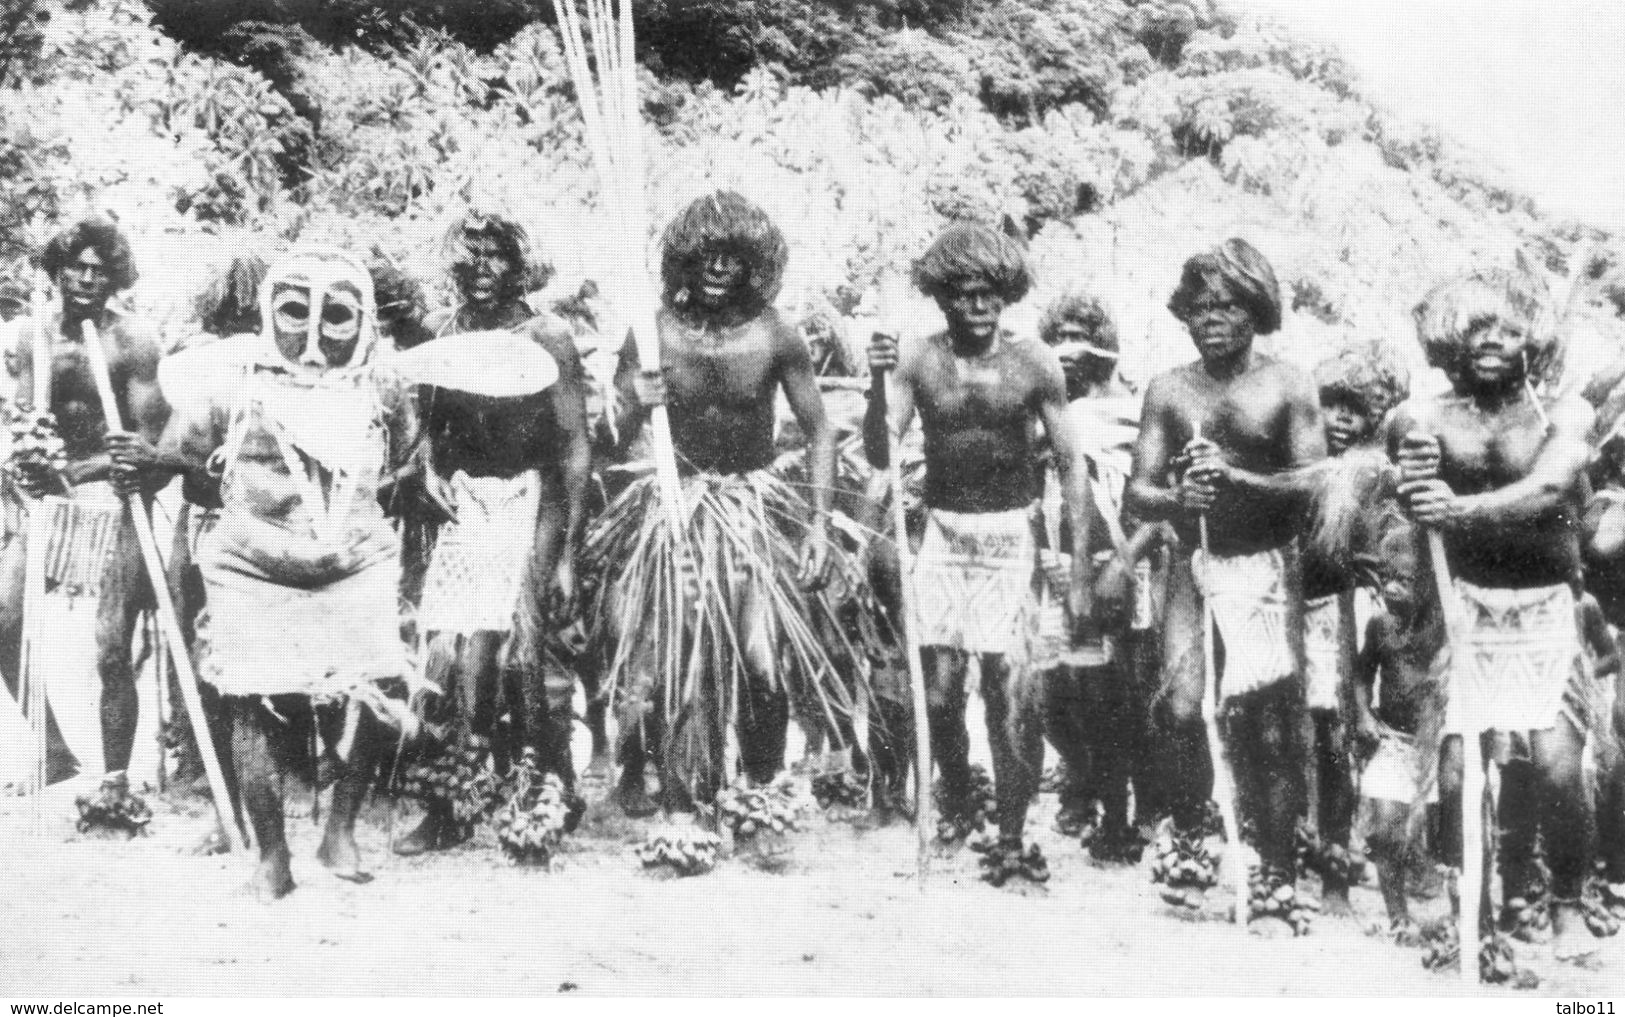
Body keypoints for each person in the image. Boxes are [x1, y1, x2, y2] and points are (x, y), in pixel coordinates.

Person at [155, 246, 429, 898]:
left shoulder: (382, 384)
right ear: (267, 311)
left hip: (353, 560)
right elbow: (186, 465)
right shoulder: (231, 377)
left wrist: (408, 486)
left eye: (334, 316)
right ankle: (272, 855)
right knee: (251, 697)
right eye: (294, 312)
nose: (310, 337)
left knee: (377, 685)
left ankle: (341, 830)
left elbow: (406, 464)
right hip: (252, 562)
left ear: (362, 319)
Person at [590, 190, 861, 813]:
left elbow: (820, 429)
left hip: (747, 508)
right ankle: (659, 778)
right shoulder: (653, 331)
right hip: (670, 508)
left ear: (753, 265)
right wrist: (638, 399)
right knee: (654, 654)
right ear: (685, 259)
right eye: (706, 254)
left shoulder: (775, 335)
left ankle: (760, 789)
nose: (718, 268)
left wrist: (818, 524)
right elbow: (612, 436)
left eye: (732, 257)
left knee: (762, 659)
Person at [865, 223, 1093, 886]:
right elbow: (882, 451)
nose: (976, 305)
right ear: (941, 298)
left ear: (1007, 294)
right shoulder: (917, 358)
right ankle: (960, 796)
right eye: (962, 293)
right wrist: (876, 379)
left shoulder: (1035, 362)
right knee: (937, 693)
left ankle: (1014, 834)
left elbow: (1072, 465)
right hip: (944, 533)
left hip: (1008, 537)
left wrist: (1076, 566)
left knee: (1010, 690)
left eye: (988, 292)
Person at [1393, 265, 1599, 961]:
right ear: (1451, 336)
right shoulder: (1426, 419)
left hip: (1542, 610)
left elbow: (1550, 487)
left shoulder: (1561, 413)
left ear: (1529, 339)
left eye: (1507, 329)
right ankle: (1469, 913)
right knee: (1456, 773)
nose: (1490, 341)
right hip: (1467, 614)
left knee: (1555, 770)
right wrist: (1411, 482)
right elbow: (1412, 506)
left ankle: (1566, 901)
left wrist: (1462, 508)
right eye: (1476, 327)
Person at [1125, 238, 1324, 928]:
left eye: (1229, 305)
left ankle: (1275, 871)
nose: (1213, 317)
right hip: (1191, 562)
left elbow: (1312, 486)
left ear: (1256, 311)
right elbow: (1137, 494)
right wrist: (1180, 499)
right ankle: (1190, 839)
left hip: (1265, 568)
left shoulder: (1287, 384)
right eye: (1201, 305)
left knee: (1267, 728)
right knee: (1181, 709)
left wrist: (1236, 479)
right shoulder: (1168, 390)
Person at [395, 213, 592, 855]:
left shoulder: (548, 336)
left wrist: (562, 551)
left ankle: (546, 793)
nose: (479, 268)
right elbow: (423, 432)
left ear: (517, 264)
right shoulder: (442, 333)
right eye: (468, 257)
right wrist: (425, 473)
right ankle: (455, 799)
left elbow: (573, 449)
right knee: (455, 657)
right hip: (464, 510)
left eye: (494, 256)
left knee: (524, 658)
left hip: (532, 500)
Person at [0, 219, 170, 808]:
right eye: (77, 266)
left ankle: (115, 781)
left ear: (115, 276)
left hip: (114, 500)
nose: (87, 278)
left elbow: (145, 439)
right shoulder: (31, 336)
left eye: (100, 269)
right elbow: (24, 420)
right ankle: (54, 749)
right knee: (3, 615)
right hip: (47, 498)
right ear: (58, 270)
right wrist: (27, 459)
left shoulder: (134, 340)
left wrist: (87, 470)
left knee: (109, 644)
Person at [1031, 292, 1160, 859]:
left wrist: (1125, 564)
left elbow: (1158, 500)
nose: (1067, 351)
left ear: (1104, 345)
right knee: (1058, 696)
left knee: (1123, 694)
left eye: (1079, 337)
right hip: (1058, 566)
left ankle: (1126, 812)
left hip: (1127, 567)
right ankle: (1082, 780)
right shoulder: (1049, 412)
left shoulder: (1137, 411)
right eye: (1055, 339)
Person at [1297, 340, 1410, 913]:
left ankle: (1341, 866)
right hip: (1304, 610)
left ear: (1375, 414)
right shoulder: (1302, 464)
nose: (1341, 420)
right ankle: (1306, 849)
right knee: (1308, 737)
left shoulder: (1380, 474)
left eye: (1355, 409)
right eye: (1331, 405)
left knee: (1346, 738)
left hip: (1355, 615)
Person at [1351, 515, 1455, 945]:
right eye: (1387, 577)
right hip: (1393, 740)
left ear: (1431, 583)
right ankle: (1397, 916)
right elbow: (1360, 675)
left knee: (1443, 836)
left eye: (1406, 580)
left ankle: (1459, 919)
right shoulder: (1381, 625)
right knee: (1383, 829)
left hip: (1439, 745)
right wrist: (1362, 715)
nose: (1392, 588)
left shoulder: (1448, 627)